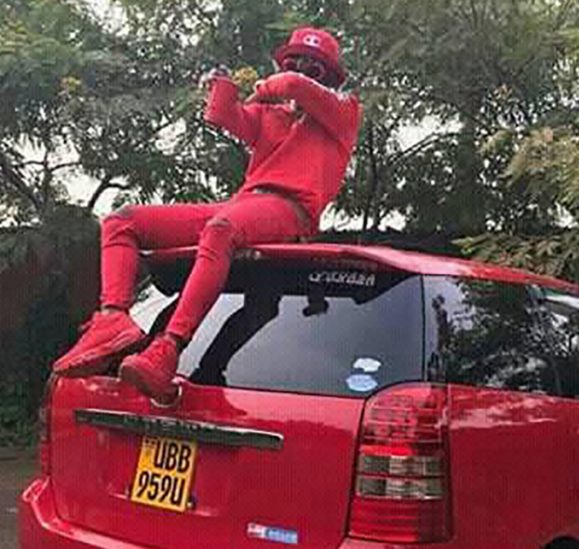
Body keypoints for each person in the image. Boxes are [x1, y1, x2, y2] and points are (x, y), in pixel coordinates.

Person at [51, 26, 362, 404]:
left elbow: (294, 87)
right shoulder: (272, 115)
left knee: (220, 229)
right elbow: (223, 117)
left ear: (329, 78)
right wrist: (221, 85)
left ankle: (168, 348)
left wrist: (268, 87)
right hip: (245, 204)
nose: (301, 71)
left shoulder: (342, 112)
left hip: (291, 209)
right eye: (293, 62)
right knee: (122, 221)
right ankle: (113, 318)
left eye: (313, 67)